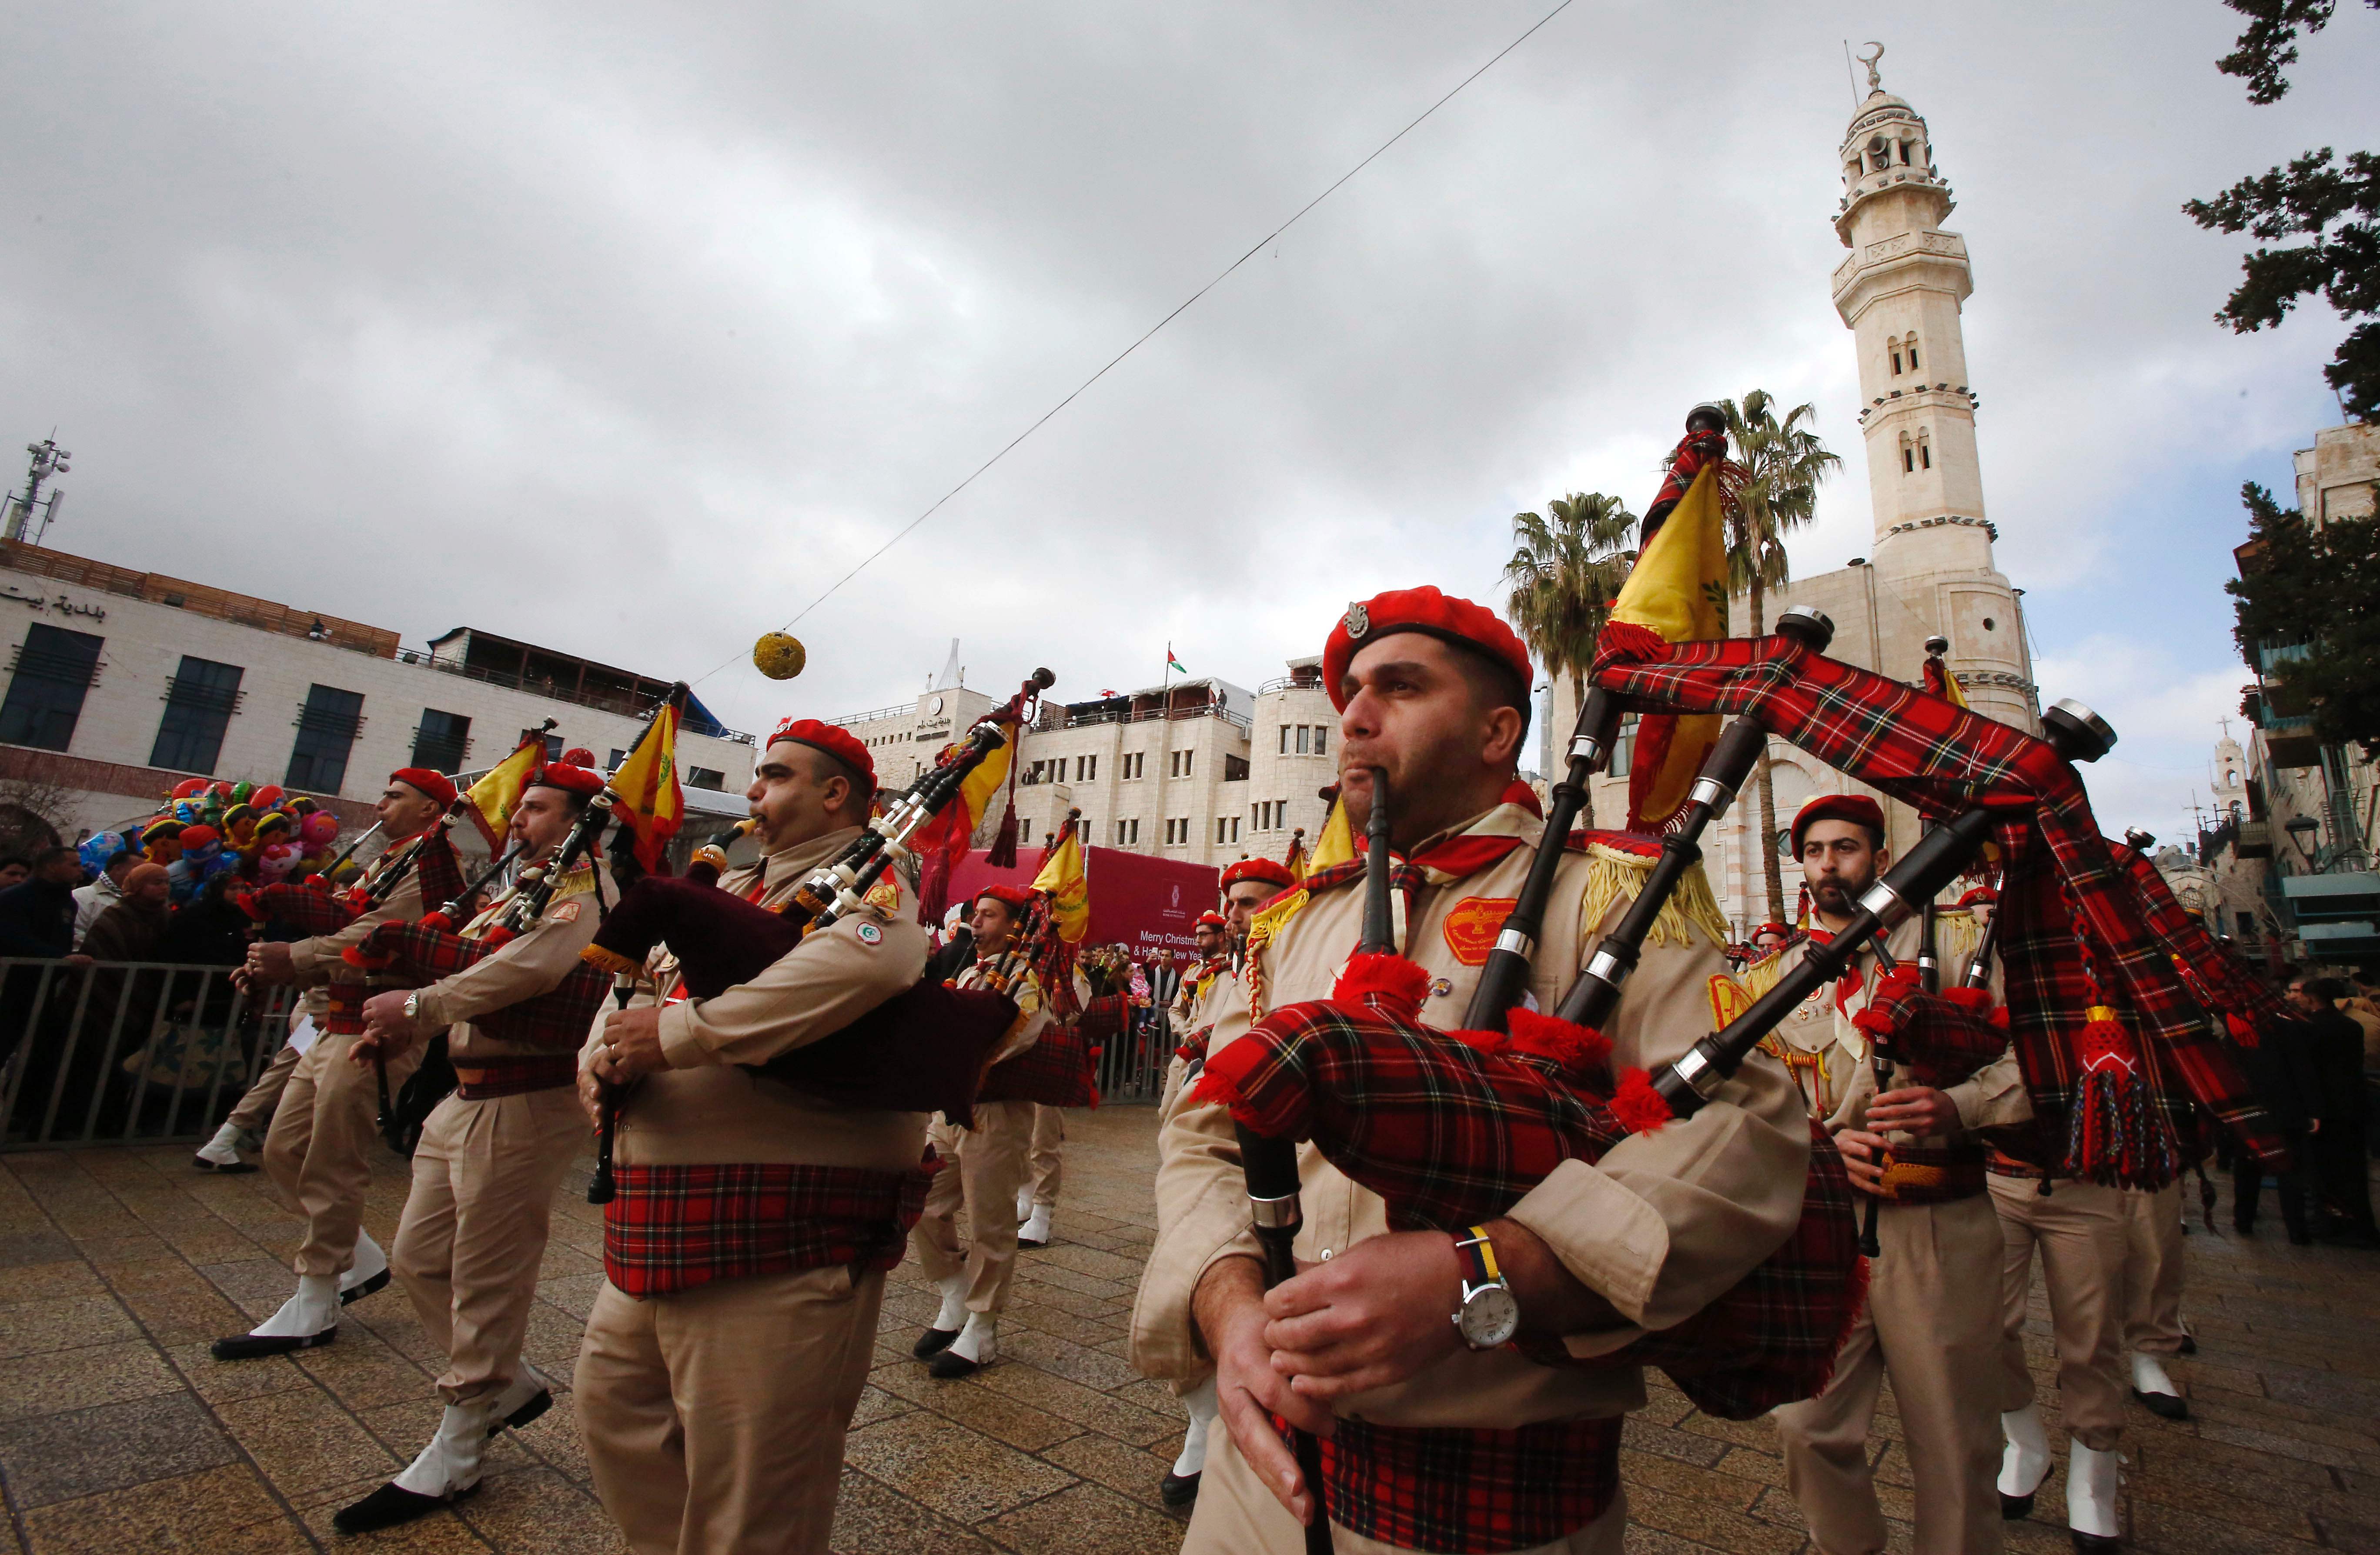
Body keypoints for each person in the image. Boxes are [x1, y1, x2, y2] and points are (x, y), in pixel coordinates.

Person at [1134, 587, 1809, 1555]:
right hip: (1256, 1480)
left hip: (1494, 1503)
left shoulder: (1608, 895)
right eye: (1351, 694)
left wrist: (1487, 1275)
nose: (1356, 718)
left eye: (1400, 688)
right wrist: (1229, 1303)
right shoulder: (1292, 923)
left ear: (1500, 732)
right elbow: (1203, 1130)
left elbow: (1738, 1134)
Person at [573, 718, 933, 1555]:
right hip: (656, 1214)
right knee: (615, 1411)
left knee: (754, 1487)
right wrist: (597, 1064)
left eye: (773, 777)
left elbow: (868, 961)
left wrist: (681, 1038)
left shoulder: (878, 881)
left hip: (781, 1229)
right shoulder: (729, 893)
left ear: (833, 792)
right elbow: (632, 988)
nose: (752, 794)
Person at [328, 761, 605, 1532]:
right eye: (522, 810)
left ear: (583, 820)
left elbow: (527, 970)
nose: (521, 822)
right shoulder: (523, 890)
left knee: (487, 1268)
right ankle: (505, 1384)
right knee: (417, 1256)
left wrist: (418, 1004)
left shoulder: (586, 893)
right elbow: (469, 957)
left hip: (525, 1100)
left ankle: (461, 1439)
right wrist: (398, 1018)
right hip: (466, 1092)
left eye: (541, 809)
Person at [1761, 794, 2030, 1555]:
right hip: (1825, 1228)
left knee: (1953, 1442)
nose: (1826, 866)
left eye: (1844, 849)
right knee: (1804, 1425)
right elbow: (1747, 1102)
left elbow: (2037, 1069)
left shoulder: (1953, 946)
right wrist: (1812, 1145)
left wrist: (1959, 1105)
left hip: (1937, 1225)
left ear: (1880, 860)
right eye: (1813, 851)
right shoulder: (1770, 976)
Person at [211, 770, 455, 1359]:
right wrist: (282, 955)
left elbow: (377, 934)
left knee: (331, 1163)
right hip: (331, 1021)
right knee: (283, 1149)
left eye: (396, 797)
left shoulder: (432, 865)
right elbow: (347, 924)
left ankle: (316, 1297)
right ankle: (358, 1256)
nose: (381, 803)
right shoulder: (390, 859)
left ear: (430, 809)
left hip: (375, 1028)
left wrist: (291, 957)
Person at [909, 883, 1062, 1378]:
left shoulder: (1026, 977)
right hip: (949, 1108)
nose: (978, 923)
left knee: (990, 1222)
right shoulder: (973, 970)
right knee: (925, 1202)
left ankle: (983, 1327)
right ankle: (955, 1294)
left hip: (992, 1111)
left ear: (1015, 925)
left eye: (990, 916)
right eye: (976, 915)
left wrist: (963, 1057)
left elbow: (1021, 1033)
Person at [2228, 982, 2327, 1242]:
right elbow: (2302, 1072)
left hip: (2248, 1111)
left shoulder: (2234, 1030)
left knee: (2247, 1169)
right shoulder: (2286, 1029)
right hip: (2285, 1109)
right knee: (2290, 1170)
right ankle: (2296, 1229)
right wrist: (2313, 1109)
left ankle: (2244, 1220)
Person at [2286, 974, 2377, 1245]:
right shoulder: (2352, 1026)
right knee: (2353, 1170)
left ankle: (2332, 1222)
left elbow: (2306, 1072)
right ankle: (2359, 1224)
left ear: (2312, 998)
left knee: (2324, 1170)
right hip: (2352, 1105)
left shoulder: (2306, 1028)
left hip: (2322, 1109)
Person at [71, 849, 134, 949]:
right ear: (118, 869)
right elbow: (76, 934)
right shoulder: (83, 896)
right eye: (137, 869)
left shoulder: (141, 901)